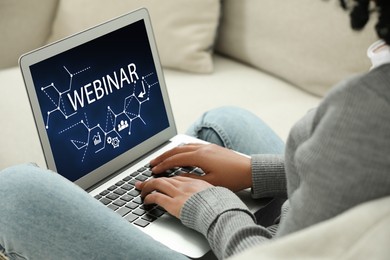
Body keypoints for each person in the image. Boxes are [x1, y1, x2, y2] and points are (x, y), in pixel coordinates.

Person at [1, 0, 389, 259]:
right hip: (296, 227)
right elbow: (357, 183)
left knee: (14, 192)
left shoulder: (366, 111)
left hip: (263, 248)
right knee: (222, 123)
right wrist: (257, 172)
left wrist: (213, 209)